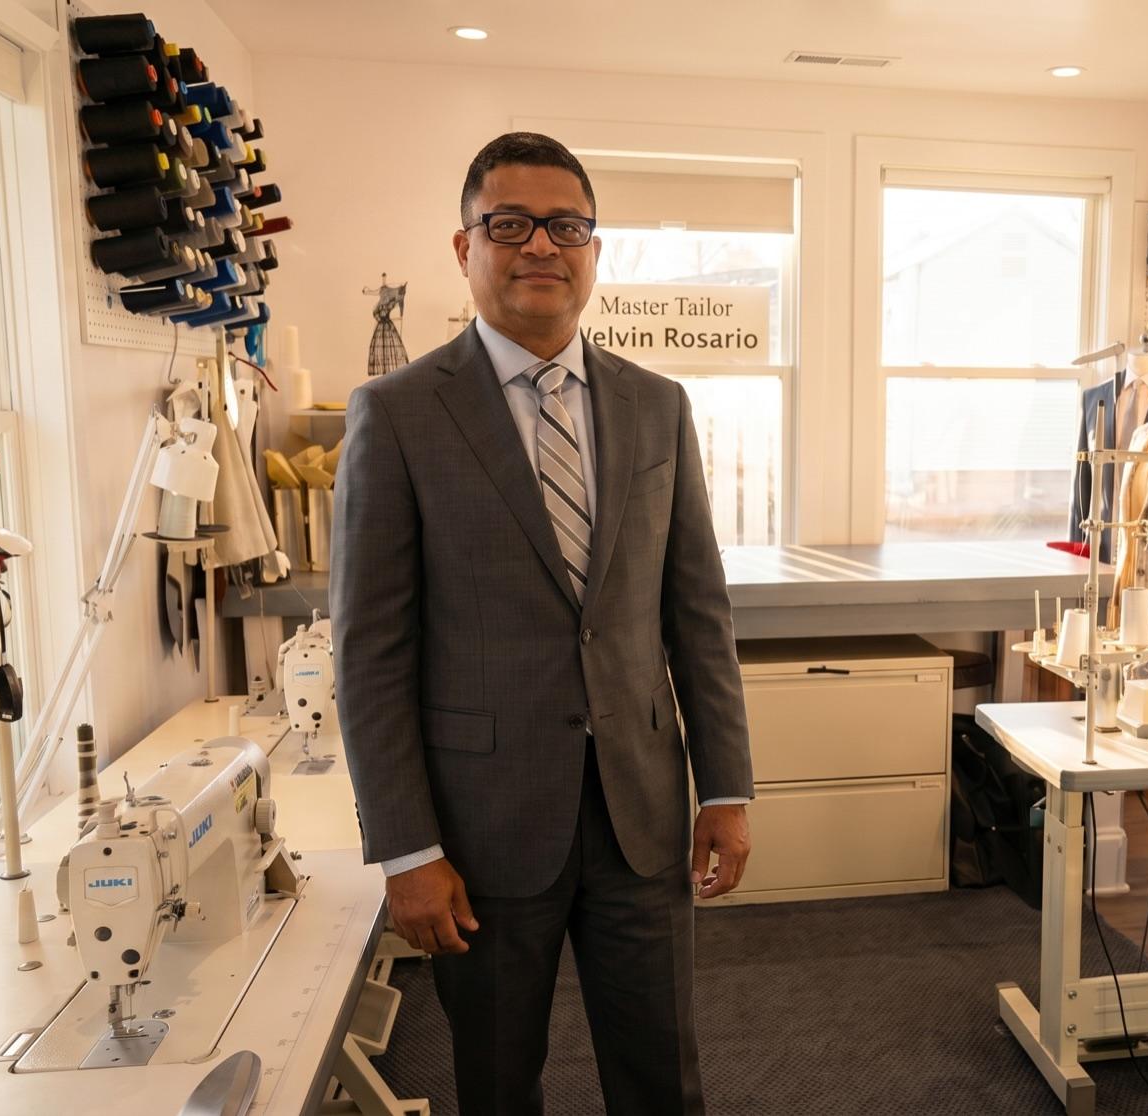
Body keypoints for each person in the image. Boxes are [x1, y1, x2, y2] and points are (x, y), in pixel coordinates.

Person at [331, 131, 755, 1115]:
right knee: (495, 1079)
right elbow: (371, 654)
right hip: (479, 833)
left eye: (565, 226)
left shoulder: (658, 407)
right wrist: (406, 849)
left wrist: (724, 785)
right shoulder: (394, 415)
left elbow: (697, 614)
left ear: (593, 250)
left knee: (661, 1076)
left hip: (639, 816)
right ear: (463, 246)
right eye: (508, 224)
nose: (538, 247)